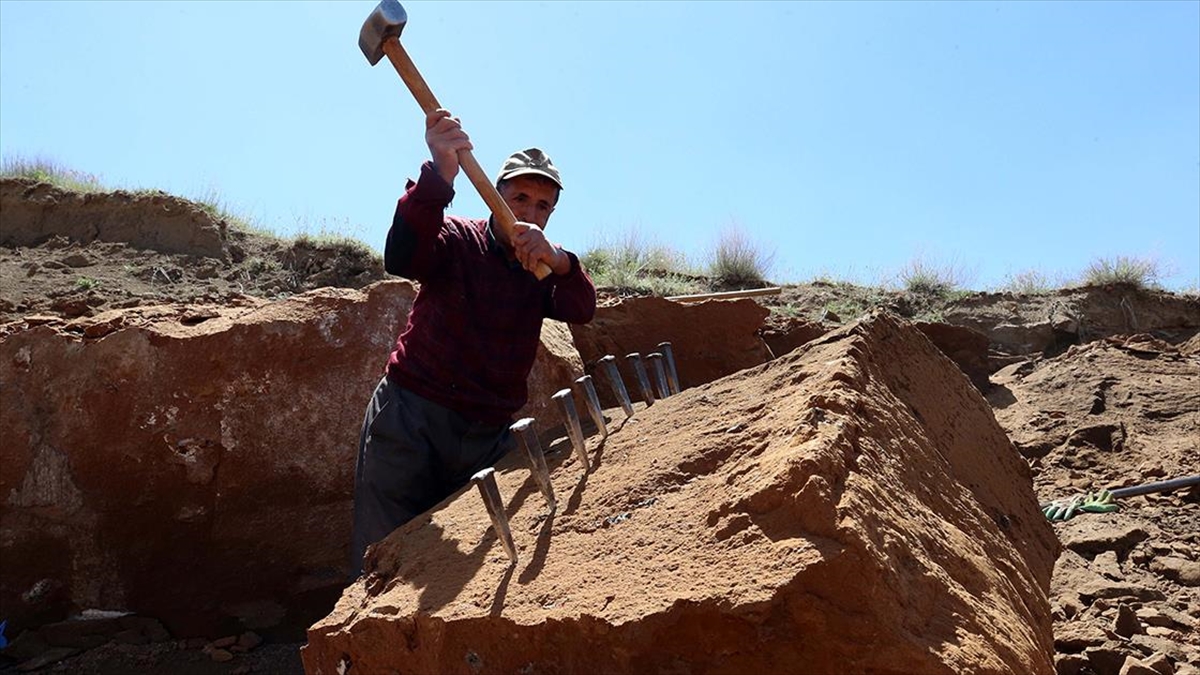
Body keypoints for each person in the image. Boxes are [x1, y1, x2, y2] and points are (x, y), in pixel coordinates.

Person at [350, 108, 596, 578]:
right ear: (494, 196)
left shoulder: (541, 268)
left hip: (486, 437)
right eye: (519, 197)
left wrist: (562, 261)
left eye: (542, 205)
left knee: (467, 570)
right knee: (379, 556)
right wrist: (439, 176)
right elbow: (402, 255)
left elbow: (583, 307)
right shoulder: (458, 239)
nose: (528, 212)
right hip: (410, 417)